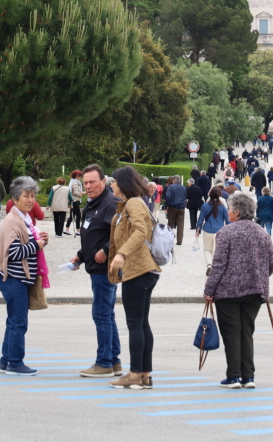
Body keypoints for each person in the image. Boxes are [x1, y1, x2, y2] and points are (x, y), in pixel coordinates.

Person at [204, 191, 273, 389]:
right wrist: (259, 277)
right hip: (255, 292)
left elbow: (218, 265)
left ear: (236, 212)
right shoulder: (262, 233)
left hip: (228, 292)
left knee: (231, 333)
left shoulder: (226, 233)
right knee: (246, 332)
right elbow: (272, 263)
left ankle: (234, 376)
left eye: (229, 209)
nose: (228, 212)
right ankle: (248, 377)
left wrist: (209, 289)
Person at [107, 166, 161, 389]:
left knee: (135, 325)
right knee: (141, 324)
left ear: (123, 183)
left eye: (114, 181)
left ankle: (135, 374)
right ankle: (145, 374)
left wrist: (122, 253)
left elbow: (140, 230)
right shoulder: (128, 204)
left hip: (139, 270)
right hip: (141, 270)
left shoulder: (133, 203)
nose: (111, 184)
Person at [71, 164, 123, 379]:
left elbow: (122, 234)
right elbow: (92, 234)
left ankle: (103, 363)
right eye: (86, 183)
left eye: (93, 182)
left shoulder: (111, 204)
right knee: (107, 315)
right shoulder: (92, 204)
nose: (89, 186)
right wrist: (81, 255)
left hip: (105, 269)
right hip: (95, 267)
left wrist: (105, 250)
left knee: (101, 315)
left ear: (104, 182)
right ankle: (114, 360)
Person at [0, 176, 49, 375]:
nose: (30, 200)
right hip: (14, 279)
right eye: (26, 196)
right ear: (15, 200)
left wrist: (41, 240)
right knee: (19, 322)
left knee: (13, 321)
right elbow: (13, 253)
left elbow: (28, 246)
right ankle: (15, 363)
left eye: (33, 196)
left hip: (18, 279)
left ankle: (5, 361)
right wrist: (37, 245)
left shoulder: (24, 219)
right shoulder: (12, 221)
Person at [196, 187, 228, 269]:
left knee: (207, 250)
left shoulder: (205, 206)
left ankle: (209, 264)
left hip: (208, 230)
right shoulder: (222, 207)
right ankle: (216, 266)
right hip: (220, 231)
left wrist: (198, 229)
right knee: (217, 250)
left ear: (210, 195)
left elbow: (200, 219)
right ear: (219, 195)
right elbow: (228, 221)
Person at [164, 175, 187, 245]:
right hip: (181, 207)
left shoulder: (171, 187)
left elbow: (168, 197)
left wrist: (166, 205)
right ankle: (179, 240)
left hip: (172, 207)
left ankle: (169, 239)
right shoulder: (183, 188)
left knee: (170, 223)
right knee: (180, 224)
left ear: (174, 181)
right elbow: (185, 197)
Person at [69, 170, 84, 236]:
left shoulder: (74, 181)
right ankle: (78, 230)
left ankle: (66, 228)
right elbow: (75, 192)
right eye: (78, 175)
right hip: (75, 200)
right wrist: (81, 194)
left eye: (80, 175)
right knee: (78, 215)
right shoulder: (75, 182)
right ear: (75, 176)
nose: (80, 177)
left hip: (75, 200)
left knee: (73, 215)